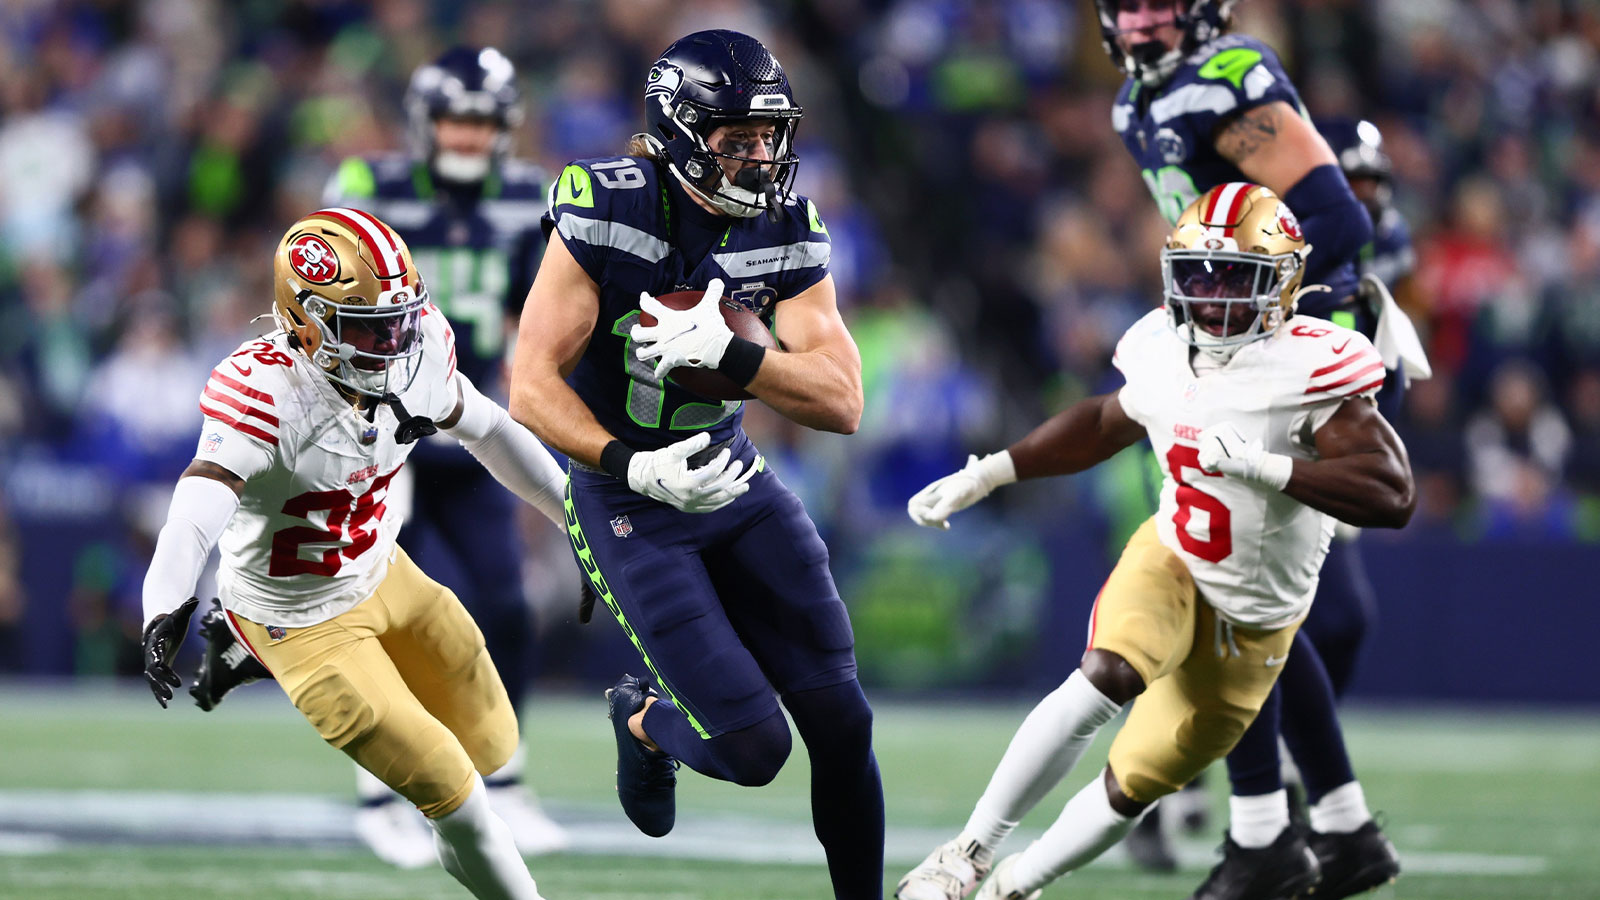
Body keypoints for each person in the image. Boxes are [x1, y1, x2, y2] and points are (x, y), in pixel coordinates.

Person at [894, 183, 1414, 900]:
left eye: (1235, 275)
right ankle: (966, 853)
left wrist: (1268, 467)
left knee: (1131, 783)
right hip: (1172, 556)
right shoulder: (1160, 348)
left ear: (1285, 281)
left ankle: (1014, 884)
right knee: (1106, 674)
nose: (1211, 295)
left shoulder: (1313, 366)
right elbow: (1107, 421)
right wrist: (989, 474)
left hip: (1255, 624)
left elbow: (1393, 494)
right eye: (1196, 274)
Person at [507, 30, 884, 900]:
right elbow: (530, 383)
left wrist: (737, 356)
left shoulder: (788, 226)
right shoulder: (609, 206)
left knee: (841, 717)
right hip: (626, 497)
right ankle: (642, 721)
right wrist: (627, 466)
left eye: (769, 137)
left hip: (734, 478)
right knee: (755, 752)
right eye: (736, 139)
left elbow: (842, 400)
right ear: (677, 133)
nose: (760, 158)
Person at [138, 208, 569, 900]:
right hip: (299, 619)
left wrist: (572, 519)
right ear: (304, 321)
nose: (393, 341)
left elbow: (488, 428)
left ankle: (242, 653)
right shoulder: (267, 391)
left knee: (491, 743)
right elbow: (196, 508)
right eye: (367, 327)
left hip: (382, 568)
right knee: (456, 791)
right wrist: (164, 603)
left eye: (399, 319)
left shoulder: (418, 349)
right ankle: (249, 639)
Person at [1096, 4, 1406, 895]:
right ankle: (1334, 826)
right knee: (1261, 610)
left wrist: (1271, 344)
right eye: (1131, 1)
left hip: (1272, 363)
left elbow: (1337, 226)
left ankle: (1265, 835)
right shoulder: (1133, 103)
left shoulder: (1229, 79)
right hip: (1230, 353)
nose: (1145, 17)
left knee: (1235, 598)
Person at [320, 45, 566, 866]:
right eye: (456, 118)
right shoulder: (370, 190)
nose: (467, 135)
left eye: (482, 121)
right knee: (395, 609)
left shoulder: (531, 197)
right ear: (427, 123)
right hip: (382, 431)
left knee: (508, 603)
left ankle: (506, 776)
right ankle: (381, 790)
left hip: (471, 426)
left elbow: (547, 316)